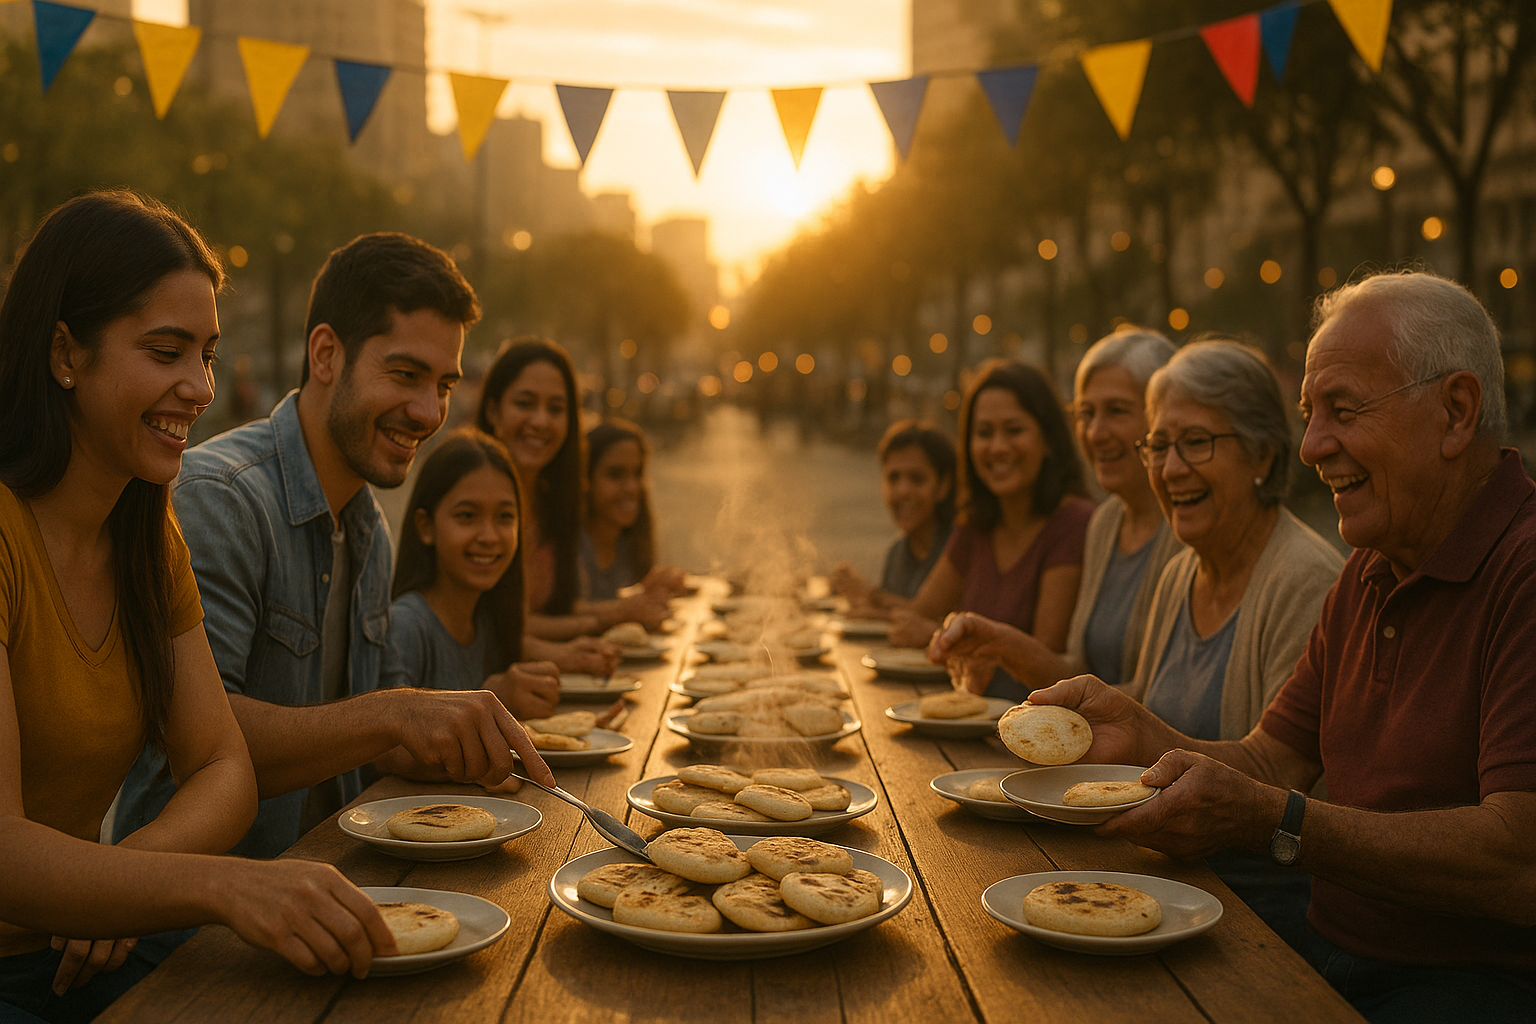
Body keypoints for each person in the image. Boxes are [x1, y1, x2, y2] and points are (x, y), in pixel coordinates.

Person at [947, 271, 1536, 1023]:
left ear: (1457, 412)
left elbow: (1519, 859)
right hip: (1323, 950)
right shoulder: (1372, 568)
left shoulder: (1522, 567)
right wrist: (1143, 735)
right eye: (1309, 415)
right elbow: (1267, 760)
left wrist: (1279, 822)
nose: (1315, 446)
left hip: (1468, 986)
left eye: (1343, 410)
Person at [0, 192, 401, 1021]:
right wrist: (222, 886)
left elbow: (223, 768)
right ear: (64, 353)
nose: (200, 388)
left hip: (72, 959)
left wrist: (124, 885)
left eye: (208, 356)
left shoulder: (147, 535)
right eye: (166, 352)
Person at [116, 232, 555, 879]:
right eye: (405, 375)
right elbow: (195, 738)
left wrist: (462, 724)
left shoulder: (369, 527)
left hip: (339, 883)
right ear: (325, 354)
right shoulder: (223, 498)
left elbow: (366, 744)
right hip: (192, 923)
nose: (429, 411)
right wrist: (395, 713)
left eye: (443, 385)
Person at [889, 360, 1094, 700]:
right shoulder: (976, 524)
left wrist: (937, 636)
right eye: (984, 433)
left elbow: (1043, 666)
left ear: (1049, 439)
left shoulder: (1073, 523)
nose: (997, 447)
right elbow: (916, 614)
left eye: (1013, 430)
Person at [475, 338, 663, 656]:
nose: (541, 421)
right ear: (493, 411)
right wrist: (606, 621)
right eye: (525, 404)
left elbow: (558, 610)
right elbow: (496, 626)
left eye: (556, 409)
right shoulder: (472, 499)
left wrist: (632, 604)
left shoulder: (552, 501)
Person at [388, 430, 560, 719]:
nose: (489, 536)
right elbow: (385, 754)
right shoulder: (407, 627)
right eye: (467, 516)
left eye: (505, 517)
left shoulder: (486, 619)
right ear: (425, 526)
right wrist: (492, 702)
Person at [830, 420, 956, 614]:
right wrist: (852, 592)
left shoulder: (958, 548)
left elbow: (938, 619)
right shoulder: (897, 553)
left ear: (943, 486)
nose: (902, 491)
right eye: (893, 478)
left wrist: (872, 596)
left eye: (917, 479)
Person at [580, 419, 686, 602]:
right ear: (585, 480)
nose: (632, 487)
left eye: (637, 474)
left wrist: (653, 586)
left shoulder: (630, 545)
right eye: (615, 474)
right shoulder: (571, 550)